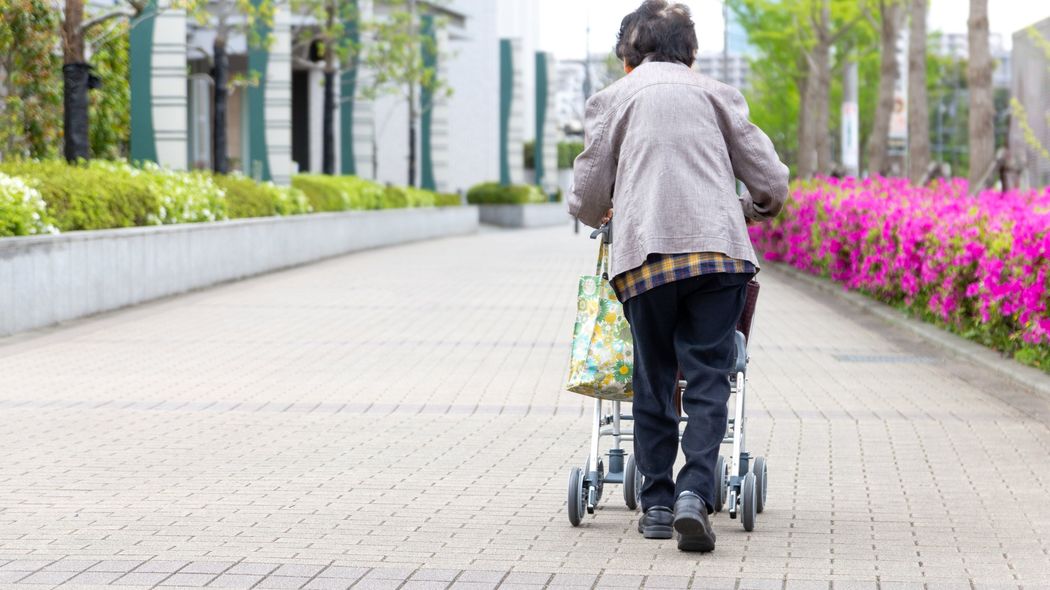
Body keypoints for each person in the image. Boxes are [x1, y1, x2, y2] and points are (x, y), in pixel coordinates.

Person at [567, 0, 788, 553]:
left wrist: (603, 214)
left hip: (645, 258)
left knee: (655, 375)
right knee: (710, 375)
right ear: (690, 53)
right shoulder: (718, 95)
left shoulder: (614, 99)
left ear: (630, 56)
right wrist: (747, 208)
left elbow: (587, 192)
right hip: (719, 256)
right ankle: (695, 493)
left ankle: (659, 505)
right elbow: (770, 181)